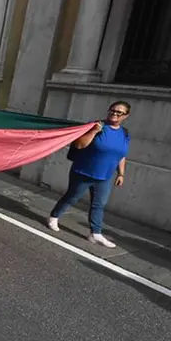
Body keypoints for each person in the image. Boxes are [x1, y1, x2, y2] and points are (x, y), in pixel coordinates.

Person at [47, 101, 131, 248]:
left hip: (105, 176)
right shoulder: (97, 126)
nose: (115, 114)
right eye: (112, 110)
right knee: (71, 197)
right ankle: (54, 217)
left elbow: (121, 155)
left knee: (99, 205)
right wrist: (93, 132)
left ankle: (95, 234)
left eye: (119, 112)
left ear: (126, 116)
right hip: (83, 172)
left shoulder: (124, 133)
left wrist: (121, 174)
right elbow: (79, 145)